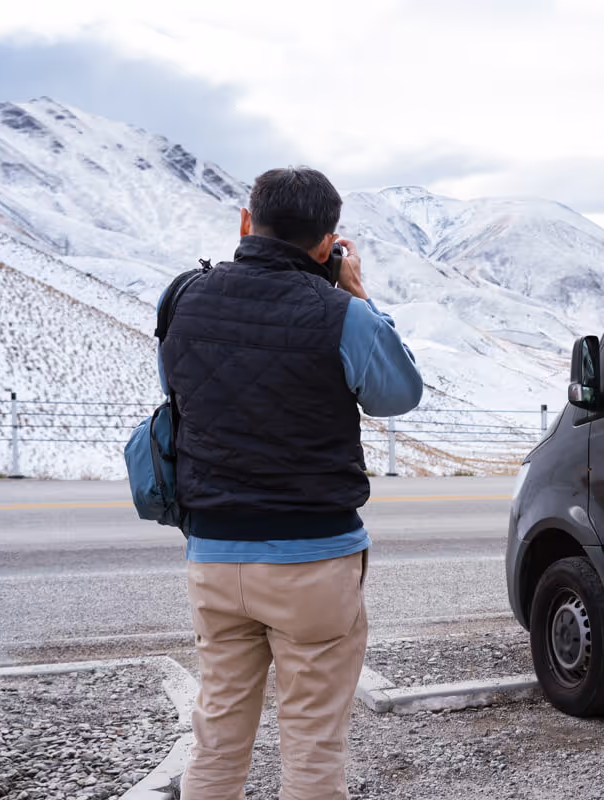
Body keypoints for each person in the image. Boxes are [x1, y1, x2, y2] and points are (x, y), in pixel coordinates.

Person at [158, 166, 423, 799]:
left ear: (247, 223)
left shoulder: (183, 297)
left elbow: (184, 390)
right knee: (312, 745)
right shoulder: (341, 315)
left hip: (215, 557)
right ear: (330, 241)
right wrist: (357, 296)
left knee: (217, 737)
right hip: (314, 559)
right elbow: (398, 395)